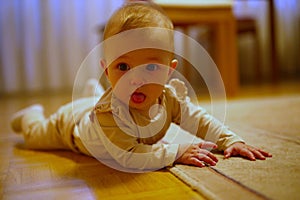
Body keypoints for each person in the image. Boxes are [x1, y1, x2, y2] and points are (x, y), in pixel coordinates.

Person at [10, 2, 271, 172]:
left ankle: (92, 93)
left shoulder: (169, 98)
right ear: (107, 70)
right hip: (69, 127)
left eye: (149, 68)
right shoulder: (110, 114)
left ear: (169, 71)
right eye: (122, 68)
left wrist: (230, 140)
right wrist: (176, 151)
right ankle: (30, 116)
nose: (135, 80)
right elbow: (129, 157)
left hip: (94, 109)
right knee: (35, 136)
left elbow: (199, 120)